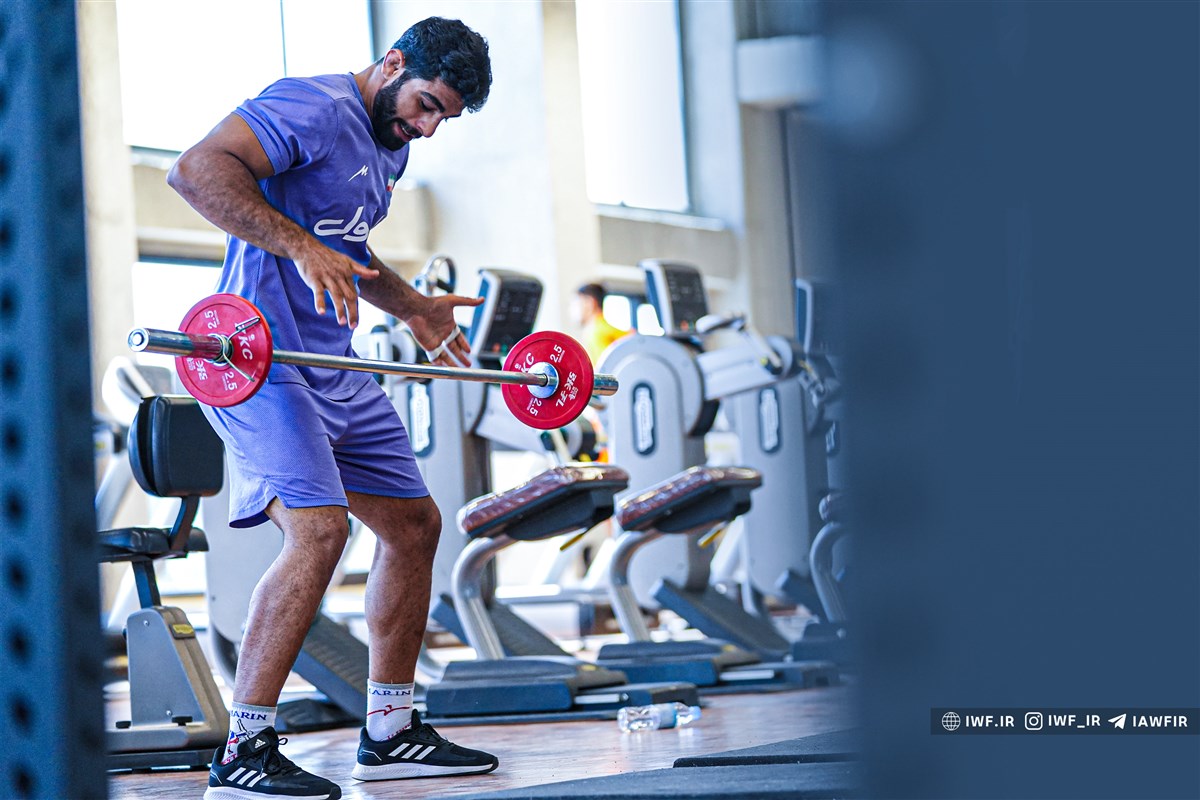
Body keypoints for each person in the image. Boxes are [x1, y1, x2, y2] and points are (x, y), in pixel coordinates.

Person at [167, 17, 497, 800]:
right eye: (425, 104)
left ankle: (389, 730)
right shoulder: (313, 105)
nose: (427, 127)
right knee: (319, 532)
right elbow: (194, 170)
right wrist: (299, 247)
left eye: (443, 119)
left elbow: (344, 244)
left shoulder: (391, 142)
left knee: (414, 527)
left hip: (333, 363)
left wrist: (412, 306)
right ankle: (244, 748)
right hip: (260, 358)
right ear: (392, 63)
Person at [574, 283, 626, 363]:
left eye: (576, 304)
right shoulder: (600, 329)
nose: (572, 310)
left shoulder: (597, 333)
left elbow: (605, 368)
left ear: (590, 303)